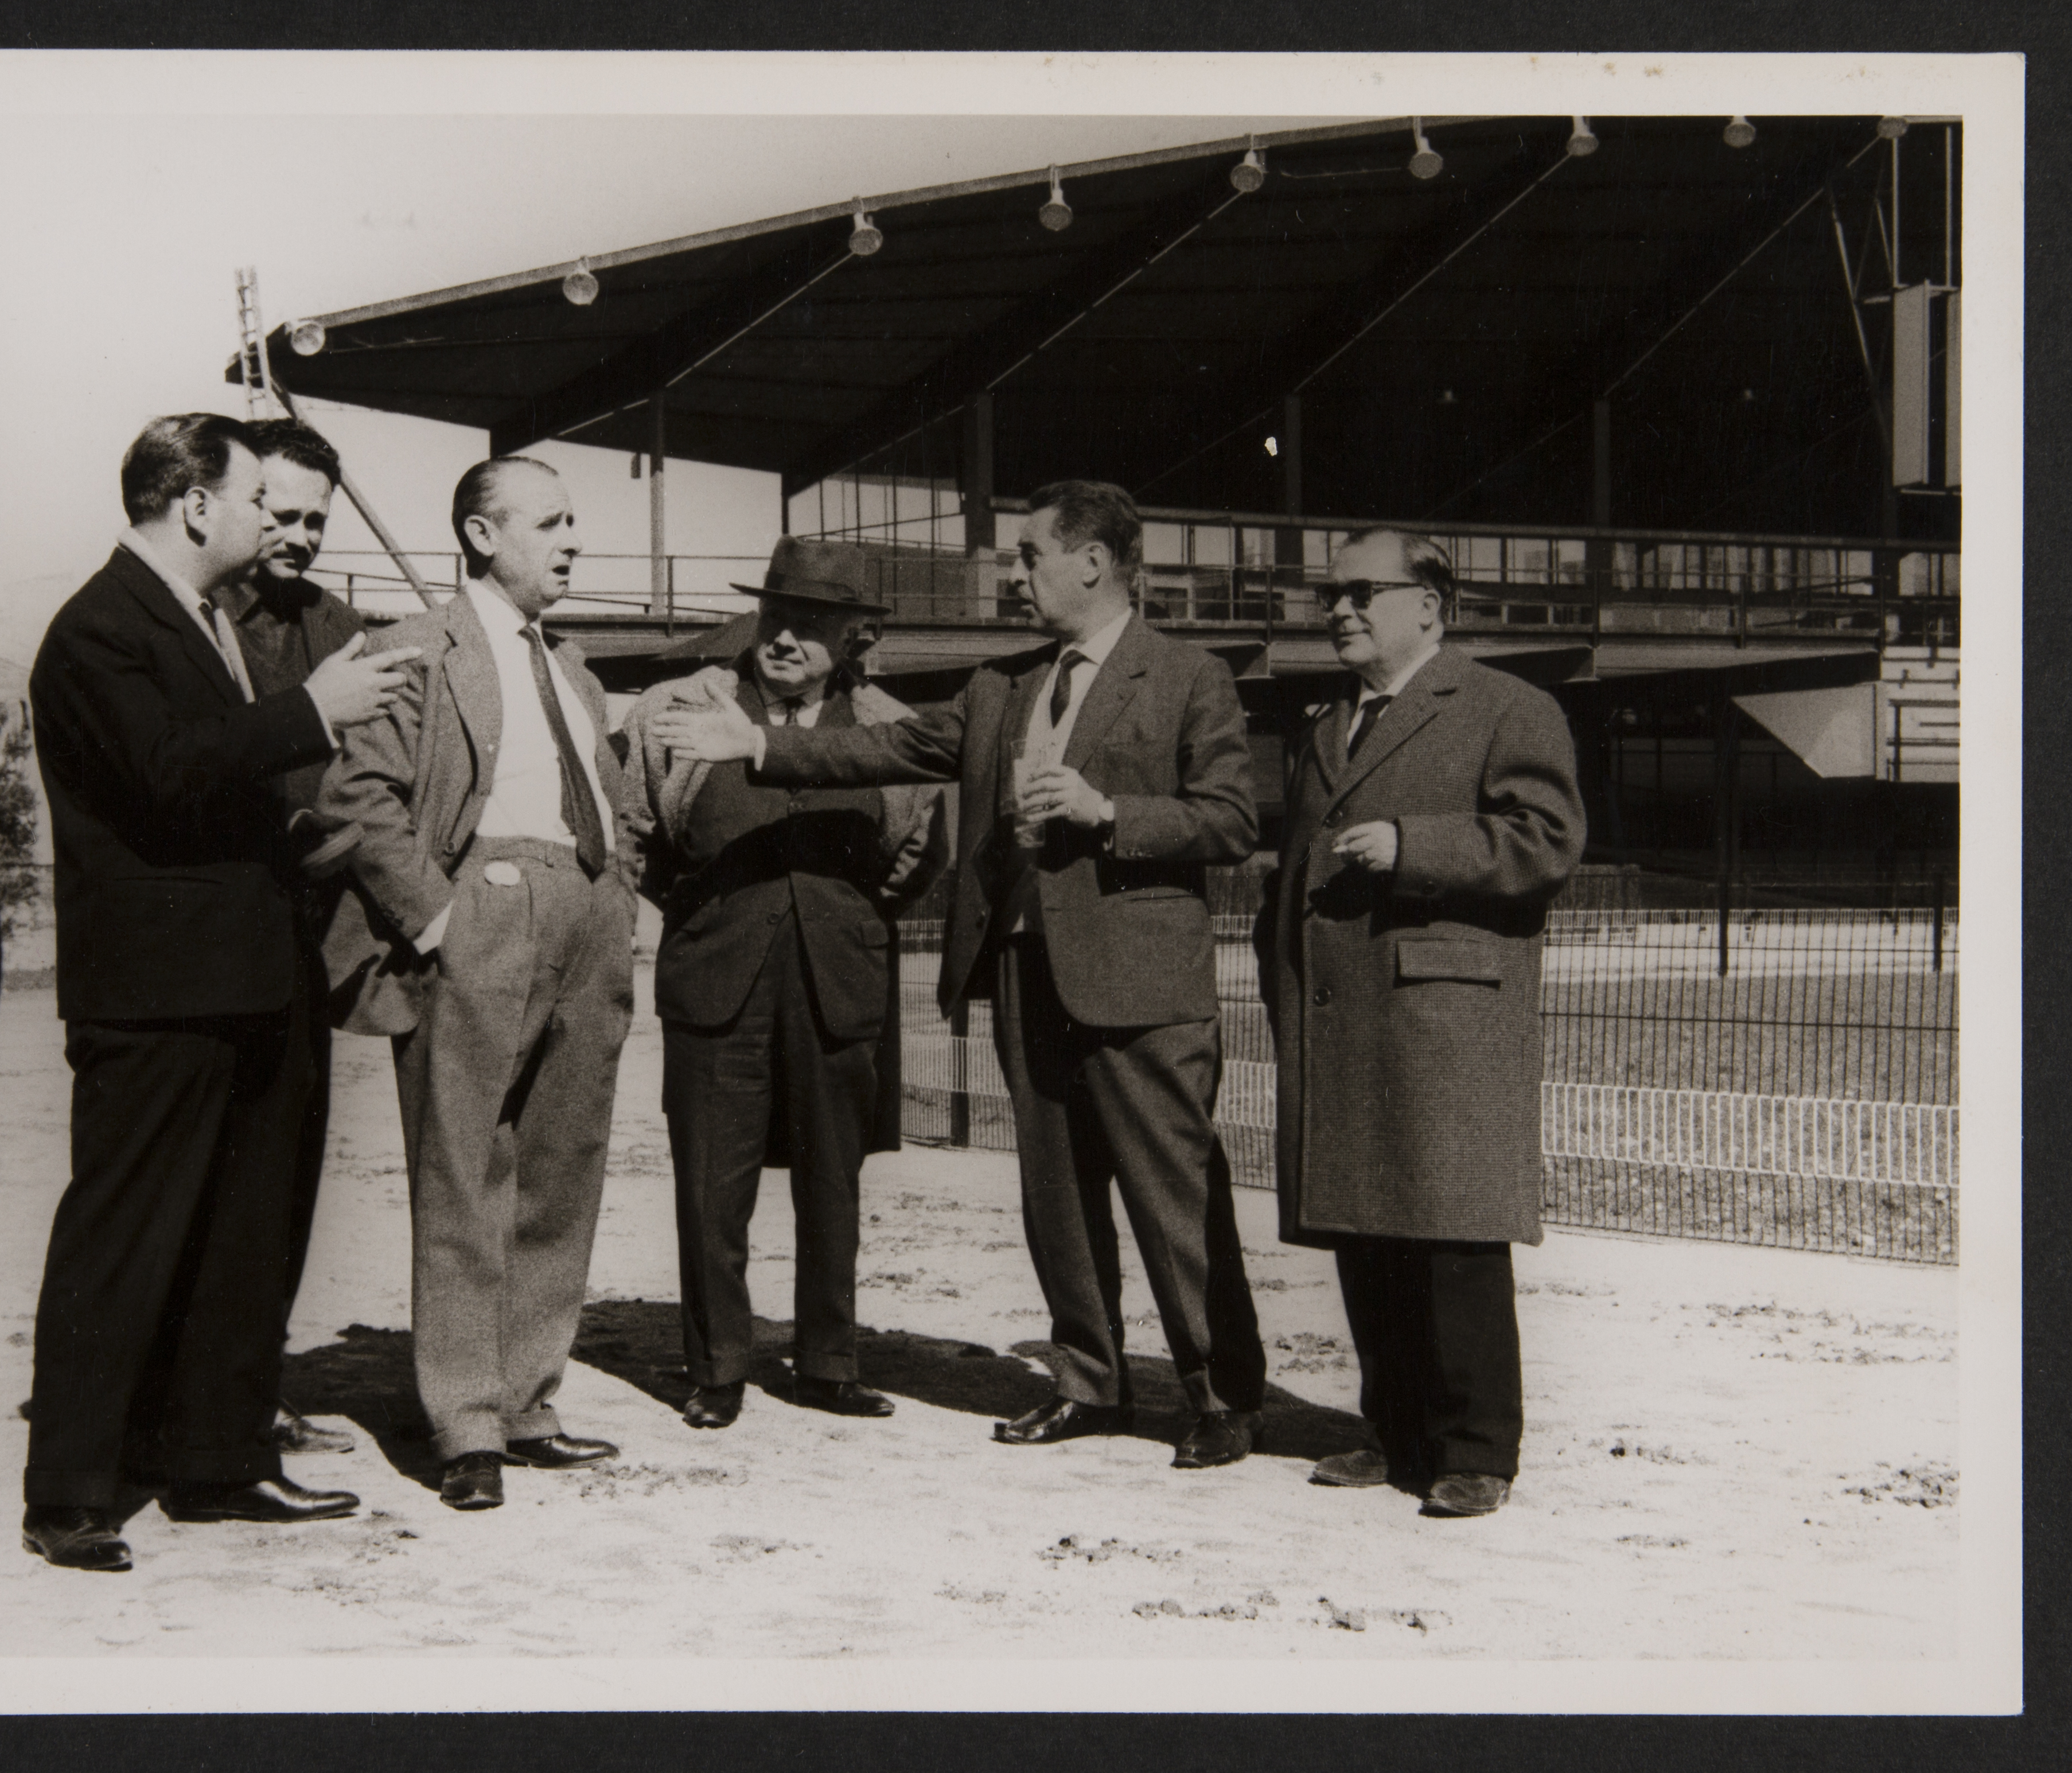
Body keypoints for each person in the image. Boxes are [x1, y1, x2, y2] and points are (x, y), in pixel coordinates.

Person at [654, 480, 1269, 1471]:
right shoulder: (1001, 686)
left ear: (1093, 563)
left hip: (1143, 987)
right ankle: (1088, 1383)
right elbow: (888, 745)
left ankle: (1221, 1397)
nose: (1014, 575)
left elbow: (1233, 818)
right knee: (1055, 1198)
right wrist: (758, 743)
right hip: (1026, 973)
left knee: (1175, 1196)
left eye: (1029, 556)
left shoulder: (1189, 676)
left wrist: (1109, 812)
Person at [20, 414, 420, 1573]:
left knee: (250, 1230)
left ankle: (219, 1461)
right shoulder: (101, 627)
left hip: (251, 973)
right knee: (125, 1234)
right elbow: (160, 770)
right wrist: (311, 714)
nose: (271, 520)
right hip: (159, 990)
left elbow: (207, 784)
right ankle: (72, 1491)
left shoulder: (198, 620)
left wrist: (290, 833)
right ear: (195, 506)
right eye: (256, 499)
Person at [317, 456, 638, 1511]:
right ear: (481, 535)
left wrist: (620, 898)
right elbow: (360, 796)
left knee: (562, 1170)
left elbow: (616, 803)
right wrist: (440, 917)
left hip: (588, 918)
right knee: (464, 1174)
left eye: (573, 522)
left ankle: (529, 1404)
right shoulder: (413, 649)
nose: (572, 541)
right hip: (481, 913)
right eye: (549, 523)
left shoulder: (576, 671)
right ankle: (465, 1428)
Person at [1255, 527, 1584, 1518]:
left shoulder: (1507, 707)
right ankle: (1393, 1434)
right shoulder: (1328, 722)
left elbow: (1548, 842)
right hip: (1341, 1009)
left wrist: (1414, 845)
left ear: (1431, 605)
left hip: (1446, 1015)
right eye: (1333, 595)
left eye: (1363, 593)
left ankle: (1477, 1450)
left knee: (1451, 1234)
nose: (1339, 610)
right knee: (1366, 1229)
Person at [616, 539, 947, 1430]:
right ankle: (717, 1368)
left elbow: (915, 855)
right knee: (711, 1187)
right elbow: (636, 832)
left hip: (838, 983)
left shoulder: (890, 725)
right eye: (775, 617)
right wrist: (707, 915)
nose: (787, 638)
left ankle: (829, 1365)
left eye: (812, 623)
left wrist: (841, 919)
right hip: (714, 981)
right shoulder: (677, 709)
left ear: (854, 639)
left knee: (833, 1184)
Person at [216, 416, 371, 1459]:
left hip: (309, 942)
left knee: (283, 1181)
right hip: (211, 941)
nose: (301, 536)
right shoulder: (193, 618)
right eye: (281, 513)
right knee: (209, 1183)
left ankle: (253, 1393)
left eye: (318, 520)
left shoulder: (339, 624)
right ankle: (189, 1404)